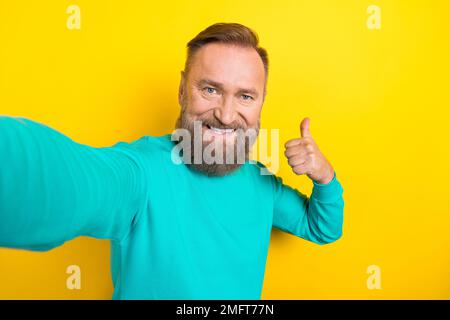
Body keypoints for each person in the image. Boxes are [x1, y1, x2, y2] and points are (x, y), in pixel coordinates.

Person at [0, 22, 344, 299]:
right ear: (182, 90)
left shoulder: (262, 183)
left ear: (261, 103)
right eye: (210, 89)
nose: (226, 115)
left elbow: (323, 228)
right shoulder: (142, 172)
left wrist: (323, 175)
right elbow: (69, 179)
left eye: (245, 96)